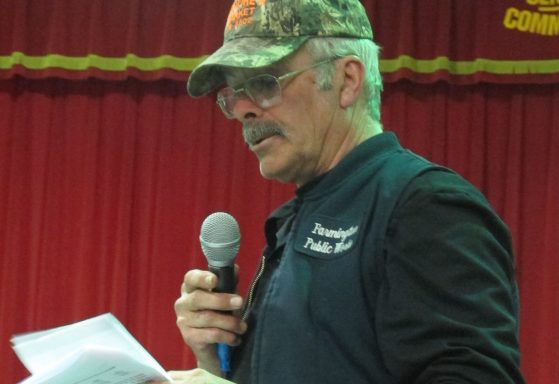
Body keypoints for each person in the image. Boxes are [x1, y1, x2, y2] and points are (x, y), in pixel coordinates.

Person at [155, 0, 525, 383]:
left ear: (348, 80)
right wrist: (215, 359)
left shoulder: (426, 207)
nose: (243, 110)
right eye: (234, 93)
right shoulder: (291, 223)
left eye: (265, 83)